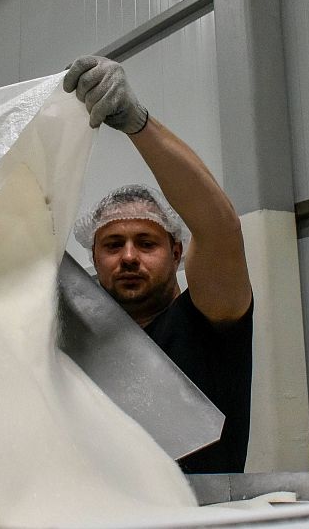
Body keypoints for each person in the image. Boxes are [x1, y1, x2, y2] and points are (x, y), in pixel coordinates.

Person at [64, 55, 254, 474]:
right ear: (93, 258)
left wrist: (139, 124)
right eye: (113, 245)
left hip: (201, 509)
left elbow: (219, 227)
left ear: (177, 253)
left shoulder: (210, 320)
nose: (129, 256)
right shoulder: (81, 339)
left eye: (146, 243)